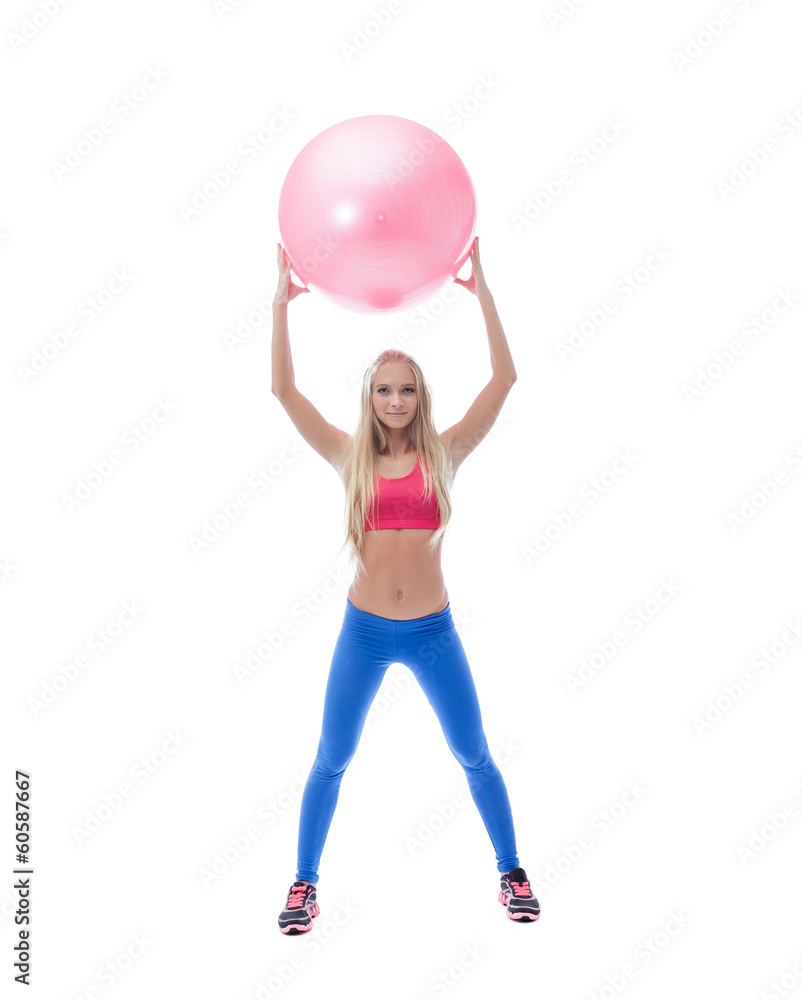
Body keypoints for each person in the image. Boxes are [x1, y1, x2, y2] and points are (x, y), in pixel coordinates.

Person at [270, 237, 540, 933]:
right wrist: (280, 306)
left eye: (406, 388)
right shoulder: (346, 454)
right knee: (332, 758)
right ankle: (304, 885)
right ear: (370, 398)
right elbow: (283, 392)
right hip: (362, 631)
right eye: (384, 389)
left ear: (421, 397)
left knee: (473, 751)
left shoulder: (444, 453)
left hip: (432, 632)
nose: (395, 399)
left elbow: (505, 381)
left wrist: (484, 294)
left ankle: (511, 873)